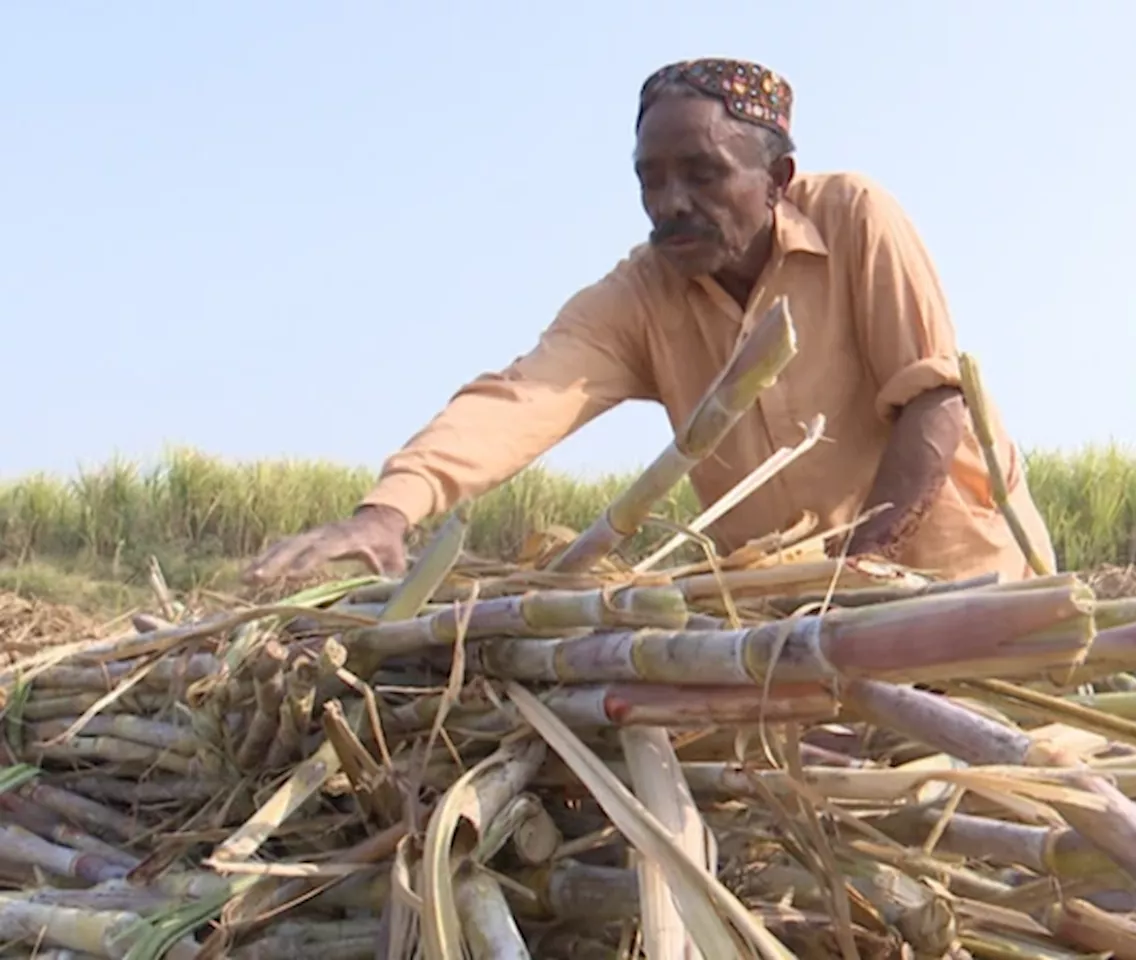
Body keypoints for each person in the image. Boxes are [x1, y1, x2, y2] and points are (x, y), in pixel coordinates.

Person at [244, 57, 1056, 586]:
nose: (671, 203)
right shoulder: (642, 294)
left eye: (702, 174)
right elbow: (523, 397)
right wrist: (387, 512)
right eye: (651, 178)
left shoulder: (855, 218)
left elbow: (933, 400)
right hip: (789, 613)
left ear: (775, 179)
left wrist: (858, 574)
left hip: (957, 584)